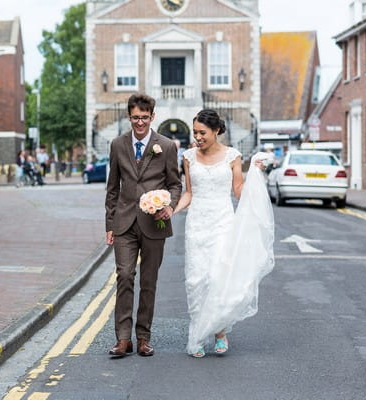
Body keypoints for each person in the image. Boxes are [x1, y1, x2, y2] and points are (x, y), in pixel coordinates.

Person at [173, 109, 275, 358]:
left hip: (222, 223)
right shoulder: (188, 157)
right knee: (196, 280)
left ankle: (219, 331)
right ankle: (197, 333)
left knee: (218, 277)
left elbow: (238, 190)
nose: (197, 137)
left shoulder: (233, 156)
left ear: (216, 130)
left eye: (202, 132)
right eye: (195, 132)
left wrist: (255, 175)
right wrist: (171, 210)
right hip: (197, 224)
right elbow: (189, 192)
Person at [105, 93, 182, 357]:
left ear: (152, 117)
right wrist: (109, 223)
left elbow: (175, 184)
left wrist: (169, 205)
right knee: (125, 276)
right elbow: (112, 187)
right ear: (129, 117)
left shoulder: (167, 146)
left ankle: (144, 337)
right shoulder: (117, 145)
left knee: (149, 282)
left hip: (154, 224)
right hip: (124, 222)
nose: (140, 123)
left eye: (145, 118)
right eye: (135, 118)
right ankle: (123, 339)